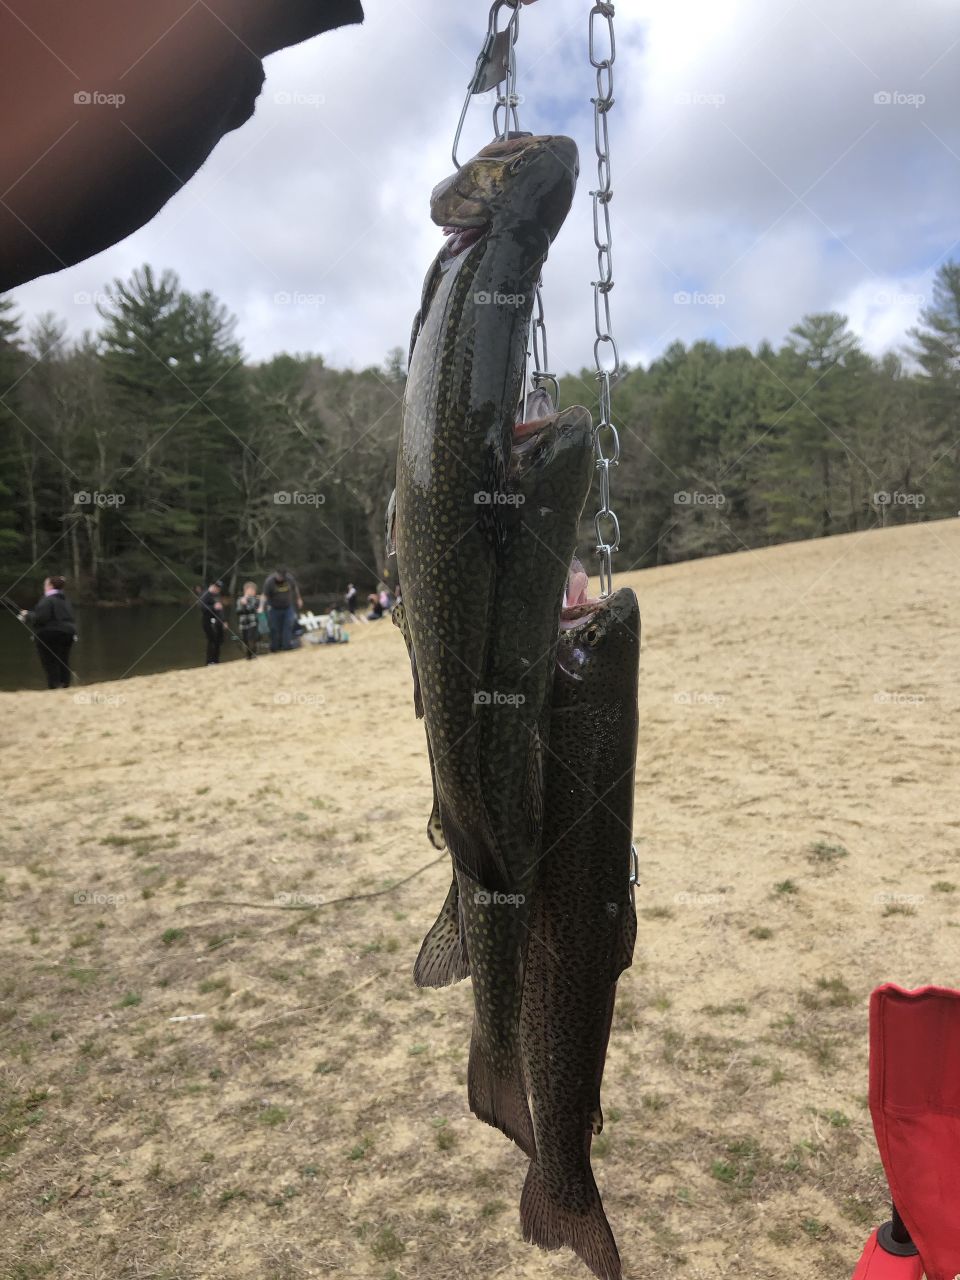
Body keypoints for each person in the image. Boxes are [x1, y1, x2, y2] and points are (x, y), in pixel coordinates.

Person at [19, 575, 77, 689]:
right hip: (68, 633)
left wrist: (27, 615)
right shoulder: (65, 600)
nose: (44, 587)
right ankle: (65, 685)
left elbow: (41, 618)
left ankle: (54, 686)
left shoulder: (47, 599)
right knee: (63, 660)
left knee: (50, 661)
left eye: (45, 585)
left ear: (50, 586)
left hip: (50, 634)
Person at [259, 567, 303, 653]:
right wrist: (261, 607)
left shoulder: (289, 579)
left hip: (287, 607)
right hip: (274, 608)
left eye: (282, 577)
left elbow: (295, 588)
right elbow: (264, 595)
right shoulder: (270, 581)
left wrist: (299, 599)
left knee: (288, 625)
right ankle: (275, 648)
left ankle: (286, 646)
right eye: (279, 577)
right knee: (274, 628)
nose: (280, 578)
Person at [198, 579, 226, 665]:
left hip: (217, 621)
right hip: (207, 621)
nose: (218, 590)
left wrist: (224, 621)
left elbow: (220, 610)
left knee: (218, 640)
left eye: (219, 588)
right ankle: (209, 661)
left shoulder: (217, 596)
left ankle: (216, 660)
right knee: (211, 640)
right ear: (212, 586)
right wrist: (213, 607)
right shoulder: (205, 595)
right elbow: (202, 607)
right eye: (217, 587)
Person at [236, 580, 259, 659]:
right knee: (245, 639)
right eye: (249, 590)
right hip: (243, 624)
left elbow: (252, 609)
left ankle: (253, 653)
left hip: (253, 622)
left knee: (252, 638)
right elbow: (238, 612)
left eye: (253, 590)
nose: (251, 592)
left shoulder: (255, 599)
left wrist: (246, 604)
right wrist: (242, 605)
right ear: (245, 591)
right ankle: (248, 655)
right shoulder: (240, 600)